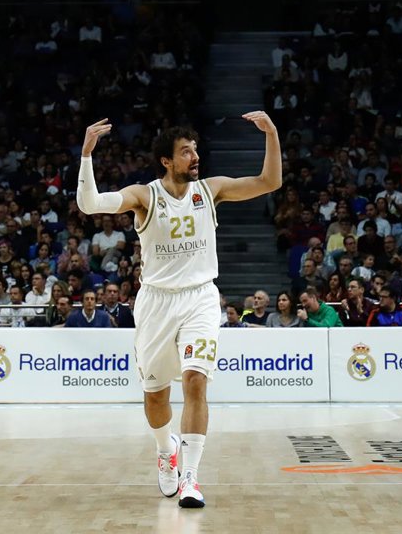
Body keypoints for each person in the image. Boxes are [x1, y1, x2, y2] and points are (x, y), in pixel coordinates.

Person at [76, 113, 281, 509]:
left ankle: (191, 476)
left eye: (195, 150)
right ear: (167, 161)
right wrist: (86, 155)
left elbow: (269, 181)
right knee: (155, 396)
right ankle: (165, 450)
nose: (195, 156)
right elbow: (90, 204)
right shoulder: (145, 196)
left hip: (200, 297)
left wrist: (271, 134)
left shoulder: (211, 190)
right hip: (156, 301)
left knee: (195, 381)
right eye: (186, 152)